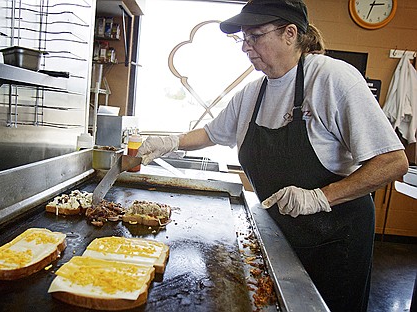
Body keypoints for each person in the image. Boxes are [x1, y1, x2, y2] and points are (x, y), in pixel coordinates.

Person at [136, 0, 409, 311]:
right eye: (243, 38)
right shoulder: (253, 93)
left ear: (290, 33)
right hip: (281, 234)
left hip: (336, 241)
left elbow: (392, 161)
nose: (245, 47)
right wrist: (169, 142)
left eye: (255, 36)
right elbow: (212, 133)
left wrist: (321, 197)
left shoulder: (332, 79)